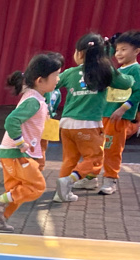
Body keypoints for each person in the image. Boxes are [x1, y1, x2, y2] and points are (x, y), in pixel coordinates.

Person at [0, 53, 63, 233]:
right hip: (17, 153)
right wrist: (20, 142)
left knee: (16, 192)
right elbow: (11, 121)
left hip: (13, 153)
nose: (58, 79)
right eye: (56, 75)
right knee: (36, 186)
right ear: (40, 80)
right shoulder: (33, 100)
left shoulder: (36, 98)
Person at [54, 33, 134, 202]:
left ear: (79, 53)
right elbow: (127, 83)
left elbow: (53, 84)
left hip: (66, 124)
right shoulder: (105, 72)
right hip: (89, 125)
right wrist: (108, 64)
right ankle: (70, 180)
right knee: (95, 158)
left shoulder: (70, 73)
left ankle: (60, 194)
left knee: (69, 159)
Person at [100, 30, 140, 196]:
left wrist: (123, 108)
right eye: (117, 50)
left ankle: (110, 179)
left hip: (119, 118)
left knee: (112, 149)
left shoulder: (135, 70)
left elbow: (138, 92)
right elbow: (104, 60)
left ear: (136, 51)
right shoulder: (118, 69)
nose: (119, 54)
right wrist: (108, 47)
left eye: (124, 49)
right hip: (104, 114)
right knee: (97, 147)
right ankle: (90, 176)